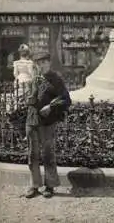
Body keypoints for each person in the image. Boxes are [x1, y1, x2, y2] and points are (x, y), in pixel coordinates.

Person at [25, 53, 71, 199]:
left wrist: (50, 106)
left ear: (49, 63)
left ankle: (50, 186)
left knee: (48, 154)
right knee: (32, 154)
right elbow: (30, 100)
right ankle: (34, 185)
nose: (41, 65)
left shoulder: (56, 79)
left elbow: (66, 99)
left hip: (47, 122)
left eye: (44, 62)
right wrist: (29, 97)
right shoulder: (34, 79)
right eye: (38, 63)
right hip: (32, 121)